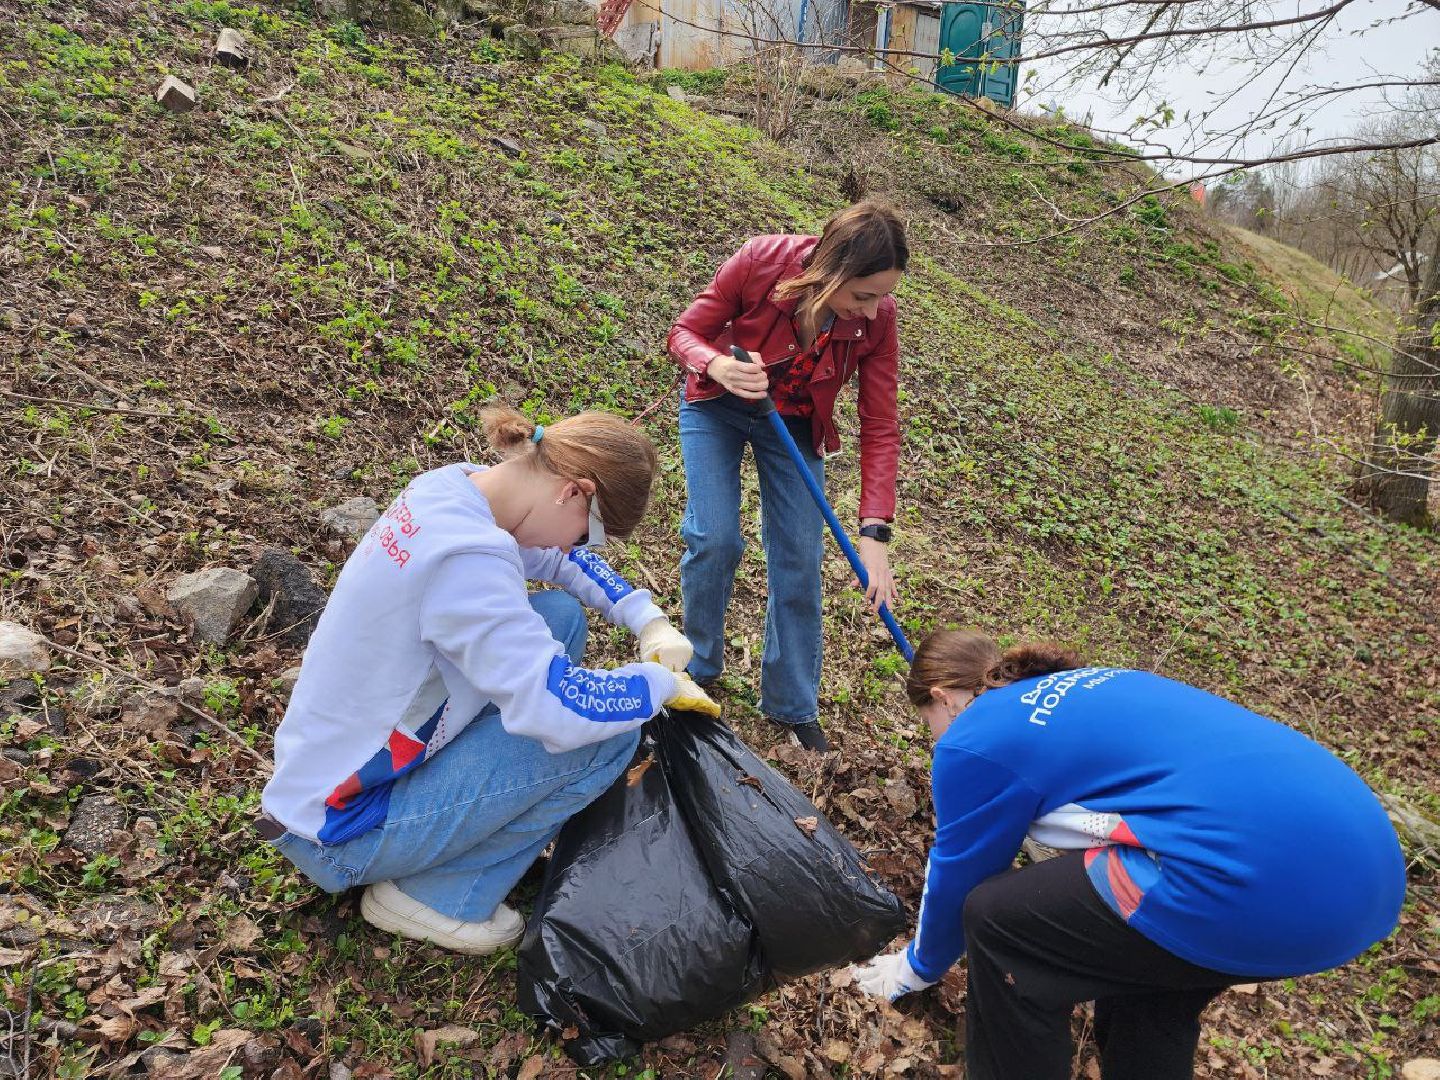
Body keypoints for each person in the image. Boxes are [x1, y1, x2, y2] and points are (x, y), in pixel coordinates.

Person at [257, 406, 719, 955]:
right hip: (342, 827)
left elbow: (556, 559)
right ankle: (439, 894)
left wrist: (646, 618)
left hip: (325, 775)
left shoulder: (452, 490)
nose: (578, 547)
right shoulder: (467, 561)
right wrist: (657, 685)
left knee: (560, 618)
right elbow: (560, 709)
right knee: (607, 738)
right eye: (590, 532)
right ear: (574, 491)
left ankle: (441, 832)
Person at [852, 629, 1406, 1080]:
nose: (935, 741)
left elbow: (958, 874)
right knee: (1146, 975)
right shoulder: (1085, 685)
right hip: (1360, 868)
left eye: (929, 724)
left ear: (944, 698)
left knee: (997, 923)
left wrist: (916, 968)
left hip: (1253, 881)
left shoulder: (972, 735)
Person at [668, 201, 908, 752]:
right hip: (717, 405)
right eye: (863, 296)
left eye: (883, 297)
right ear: (828, 275)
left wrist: (875, 535)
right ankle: (698, 667)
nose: (873, 312)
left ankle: (792, 702)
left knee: (800, 556)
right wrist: (715, 365)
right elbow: (686, 331)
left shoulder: (880, 319)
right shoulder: (759, 260)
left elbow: (880, 424)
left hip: (796, 423)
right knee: (715, 538)